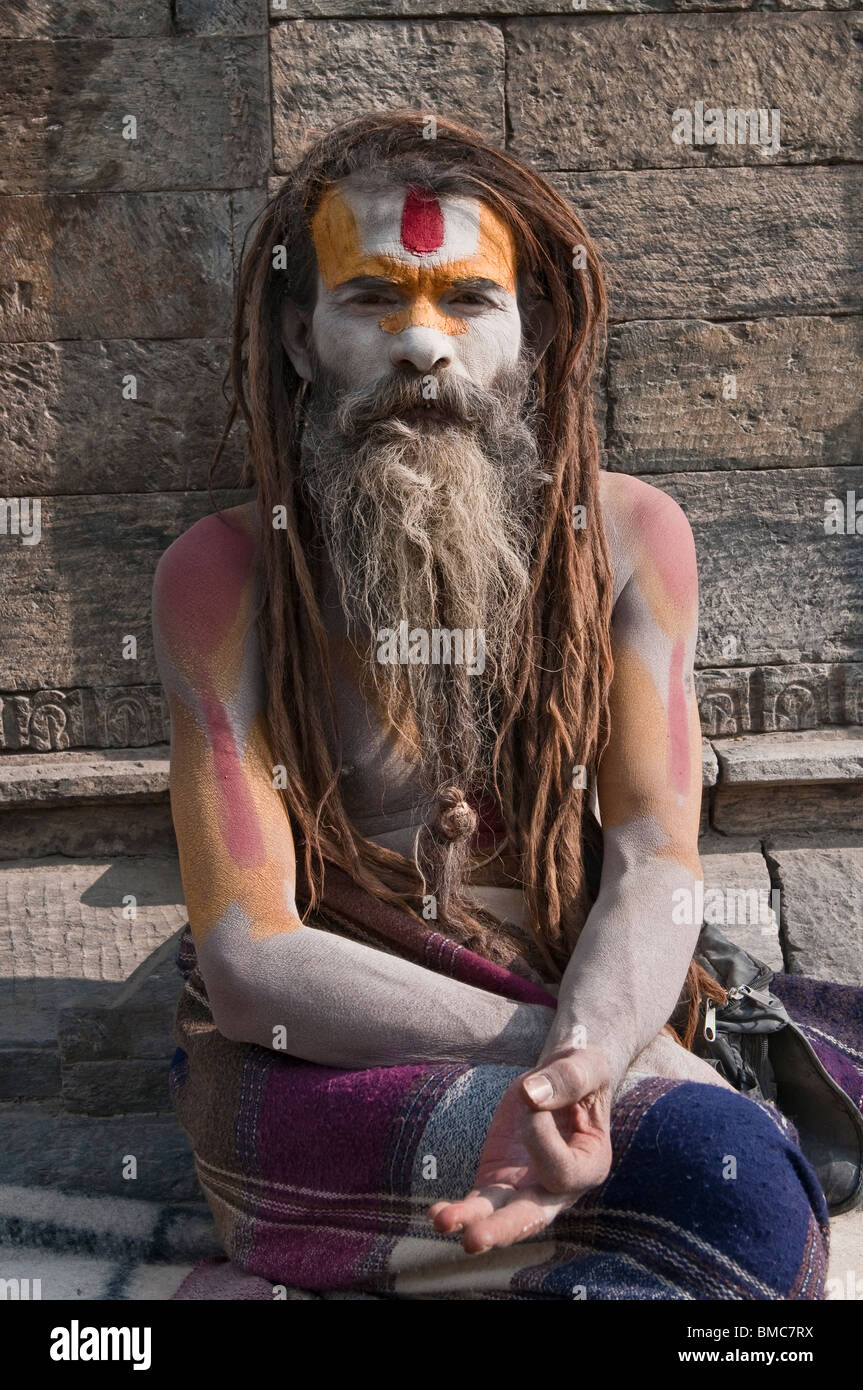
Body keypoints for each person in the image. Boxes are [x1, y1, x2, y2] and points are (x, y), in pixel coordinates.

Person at [152, 111, 833, 1299]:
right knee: (719, 1158)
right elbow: (252, 958)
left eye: (467, 301)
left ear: (530, 334)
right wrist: (588, 1069)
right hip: (320, 1058)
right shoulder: (223, 576)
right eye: (372, 300)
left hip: (580, 1022)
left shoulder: (629, 540)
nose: (424, 346)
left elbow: (652, 865)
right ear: (303, 342)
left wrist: (589, 1050)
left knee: (748, 1205)